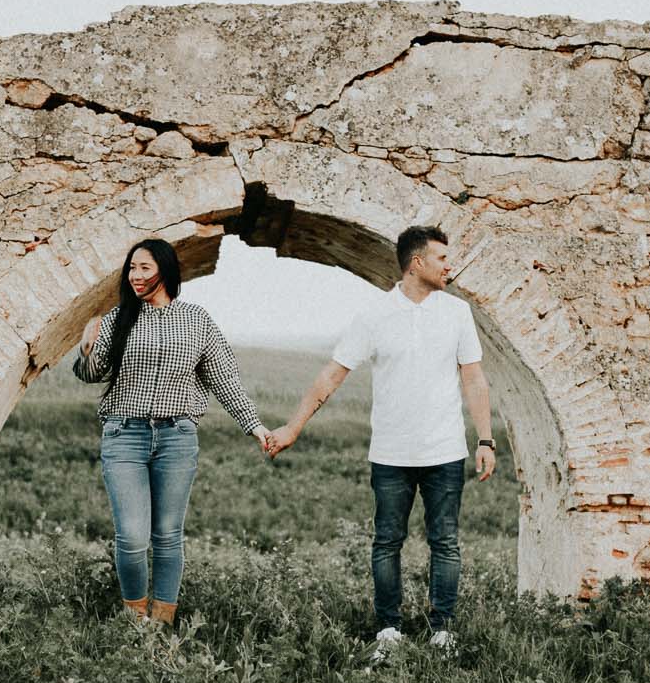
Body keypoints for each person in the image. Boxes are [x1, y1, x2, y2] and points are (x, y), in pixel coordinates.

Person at [267, 225, 495, 655]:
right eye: (442, 258)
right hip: (391, 454)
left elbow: (474, 378)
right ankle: (388, 630)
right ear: (417, 263)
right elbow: (332, 374)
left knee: (445, 541)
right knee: (387, 541)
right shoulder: (373, 315)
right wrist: (292, 428)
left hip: (445, 450)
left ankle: (442, 630)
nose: (450, 265)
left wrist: (486, 440)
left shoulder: (457, 313)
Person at [75, 238, 275, 625]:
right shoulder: (118, 319)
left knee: (167, 535)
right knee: (132, 537)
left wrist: (254, 425)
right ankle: (135, 622)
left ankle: (162, 623)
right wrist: (86, 350)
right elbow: (91, 374)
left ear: (165, 271)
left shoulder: (196, 320)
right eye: (132, 268)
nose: (135, 275)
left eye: (144, 268)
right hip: (125, 435)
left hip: (176, 437)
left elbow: (224, 378)